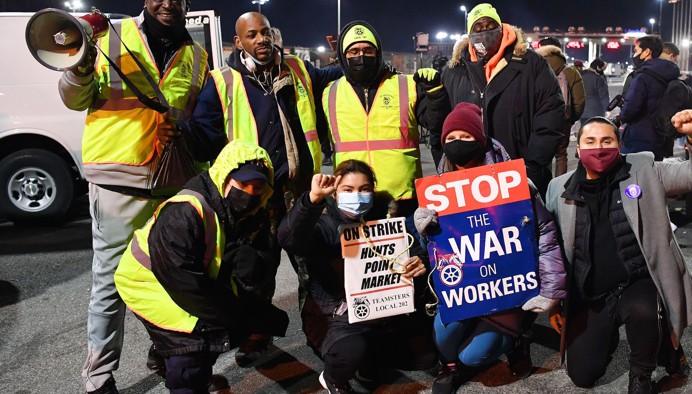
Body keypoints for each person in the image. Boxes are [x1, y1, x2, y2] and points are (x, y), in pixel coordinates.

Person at [57, 1, 215, 391]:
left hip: (172, 184)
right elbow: (74, 98)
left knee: (170, 278)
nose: (167, 2)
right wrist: (78, 65)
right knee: (109, 285)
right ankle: (98, 377)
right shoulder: (108, 35)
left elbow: (195, 115)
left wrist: (183, 131)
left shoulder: (197, 55)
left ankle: (167, 353)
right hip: (117, 180)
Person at [189, 11, 342, 365]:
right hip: (254, 199)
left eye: (265, 32)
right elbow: (203, 133)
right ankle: (255, 337)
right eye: (252, 35)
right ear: (239, 42)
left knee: (312, 268)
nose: (261, 40)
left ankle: (322, 335)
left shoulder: (298, 70)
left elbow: (337, 74)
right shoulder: (222, 81)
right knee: (254, 272)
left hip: (299, 191)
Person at [546, 111, 692, 393]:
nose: (598, 148)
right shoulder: (557, 188)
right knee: (583, 375)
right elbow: (550, 249)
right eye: (590, 141)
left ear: (619, 145)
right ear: (578, 148)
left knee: (642, 311)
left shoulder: (645, 169)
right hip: (591, 293)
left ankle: (642, 373)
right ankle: (614, 332)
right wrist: (554, 300)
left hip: (637, 281)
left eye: (606, 140)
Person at [114, 140, 290, 393]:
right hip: (149, 283)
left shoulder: (254, 212)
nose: (250, 192)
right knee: (197, 345)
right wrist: (232, 316)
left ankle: (166, 355)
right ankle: (181, 372)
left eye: (258, 186)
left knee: (237, 325)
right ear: (225, 178)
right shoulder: (184, 212)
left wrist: (253, 271)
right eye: (243, 184)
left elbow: (263, 265)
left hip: (195, 279)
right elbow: (184, 282)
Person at [415, 103, 566, 394]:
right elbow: (434, 249)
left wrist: (551, 291)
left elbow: (546, 235)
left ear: (481, 140)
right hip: (465, 287)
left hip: (509, 288)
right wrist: (422, 229)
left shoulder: (517, 183)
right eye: (451, 137)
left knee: (475, 354)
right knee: (442, 337)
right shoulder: (438, 189)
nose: (458, 142)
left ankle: (518, 338)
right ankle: (451, 370)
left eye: (466, 135)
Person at [278, 160, 437, 393]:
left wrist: (419, 262)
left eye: (364, 189)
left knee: (427, 358)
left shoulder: (386, 218)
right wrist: (311, 200)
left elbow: (412, 252)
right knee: (351, 350)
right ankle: (334, 378)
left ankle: (366, 362)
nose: (357, 196)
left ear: (373, 190)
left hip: (382, 312)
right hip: (333, 316)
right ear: (335, 193)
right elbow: (289, 238)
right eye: (348, 190)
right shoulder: (323, 223)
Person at [430, 3, 565, 195]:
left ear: (501, 28)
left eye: (490, 25)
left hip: (521, 176)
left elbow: (550, 115)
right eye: (478, 27)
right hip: (467, 182)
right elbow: (440, 125)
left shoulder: (531, 64)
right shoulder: (455, 70)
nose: (484, 31)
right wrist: (446, 170)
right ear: (469, 33)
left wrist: (532, 168)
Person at [323, 21, 443, 214]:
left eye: (367, 50)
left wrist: (436, 94)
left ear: (378, 53)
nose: (361, 56)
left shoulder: (406, 85)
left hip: (403, 199)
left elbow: (437, 125)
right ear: (343, 56)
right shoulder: (330, 93)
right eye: (353, 52)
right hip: (352, 201)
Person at [617, 34, 681, 160]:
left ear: (646, 52)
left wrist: (620, 118)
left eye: (636, 51)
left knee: (634, 173)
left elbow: (632, 106)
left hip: (639, 134)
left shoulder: (642, 76)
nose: (634, 55)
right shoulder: (669, 74)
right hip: (661, 133)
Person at [537, 37, 586, 176]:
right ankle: (558, 189)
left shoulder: (532, 67)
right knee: (561, 155)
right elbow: (579, 101)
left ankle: (542, 188)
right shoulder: (571, 71)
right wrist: (570, 118)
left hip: (538, 119)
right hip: (562, 120)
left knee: (540, 154)